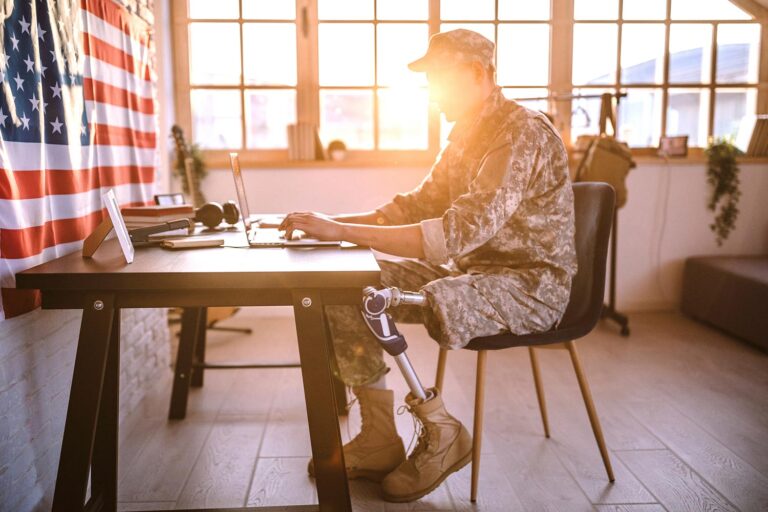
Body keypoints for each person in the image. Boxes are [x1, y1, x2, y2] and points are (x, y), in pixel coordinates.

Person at [280, 29, 577, 503]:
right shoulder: (465, 134)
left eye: (438, 80)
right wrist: (326, 223)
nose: (431, 93)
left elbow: (453, 234)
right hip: (472, 272)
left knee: (424, 294)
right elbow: (416, 206)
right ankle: (379, 438)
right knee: (346, 285)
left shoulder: (521, 134)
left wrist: (341, 231)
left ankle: (443, 430)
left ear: (477, 75)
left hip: (529, 287)